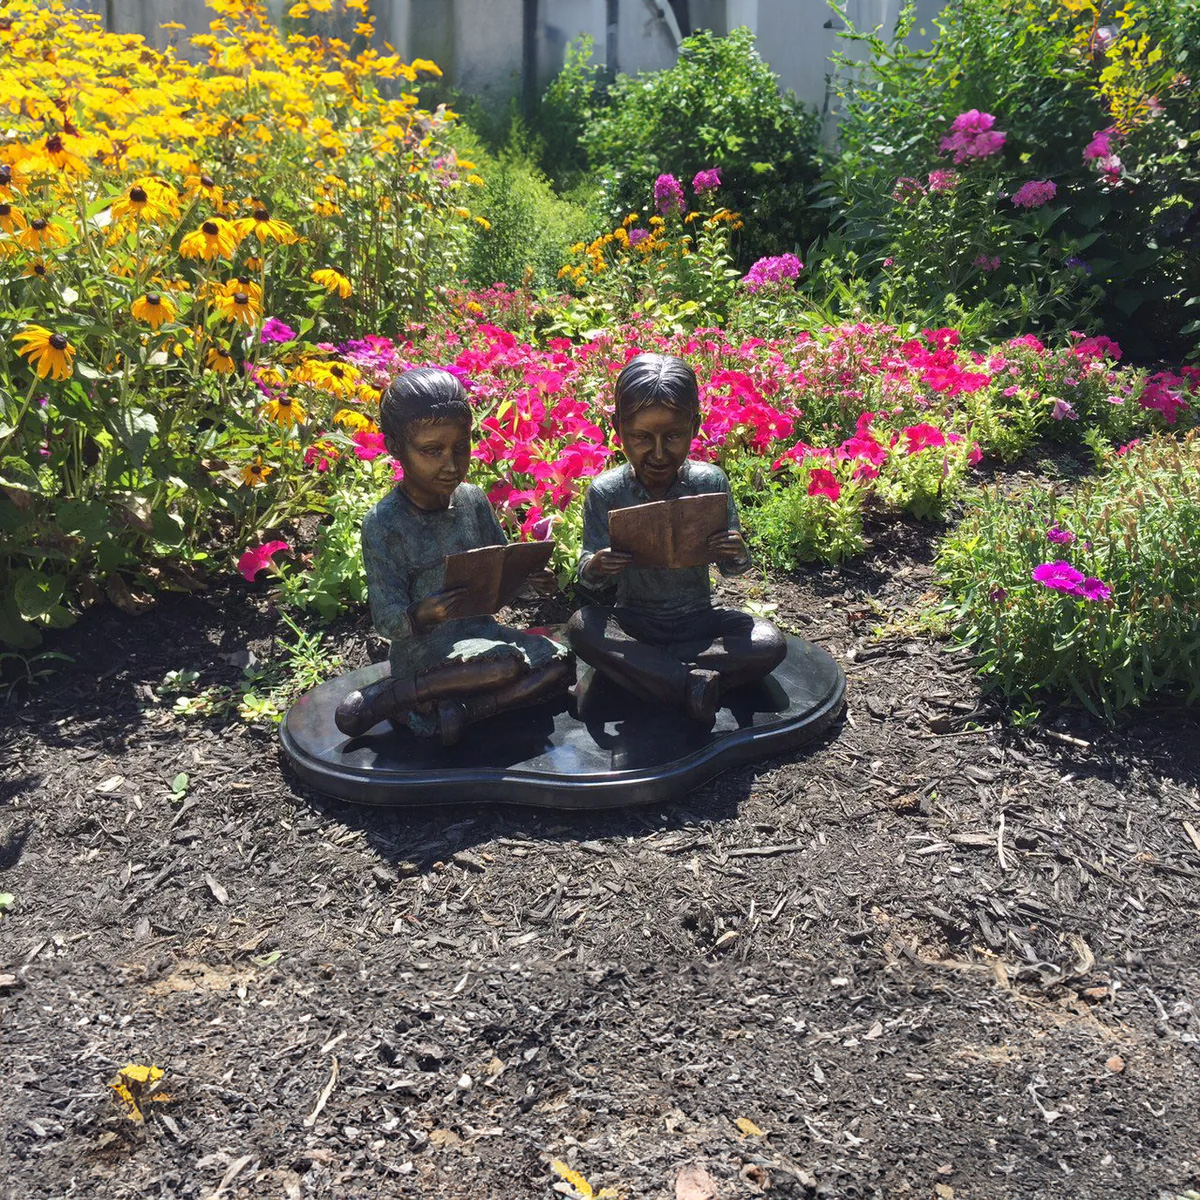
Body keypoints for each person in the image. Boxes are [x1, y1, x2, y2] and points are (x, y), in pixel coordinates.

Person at [335, 367, 571, 744]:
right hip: (425, 652)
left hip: (482, 637)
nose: (451, 464)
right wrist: (422, 614)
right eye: (432, 451)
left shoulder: (473, 501)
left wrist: (528, 580)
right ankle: (401, 691)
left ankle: (460, 710)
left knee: (559, 664)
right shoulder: (384, 524)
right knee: (506, 666)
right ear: (395, 446)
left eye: (461, 447)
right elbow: (386, 619)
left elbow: (499, 570)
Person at [565, 353, 787, 724]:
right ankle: (692, 682)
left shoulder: (709, 482)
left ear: (694, 426)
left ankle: (649, 674)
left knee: (768, 641)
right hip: (635, 621)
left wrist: (735, 552)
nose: (657, 453)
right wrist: (598, 564)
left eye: (672, 436)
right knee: (581, 626)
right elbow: (586, 579)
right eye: (640, 438)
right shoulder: (605, 492)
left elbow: (734, 570)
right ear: (617, 427)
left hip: (697, 621)